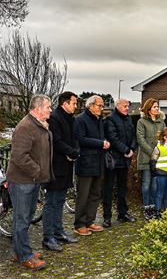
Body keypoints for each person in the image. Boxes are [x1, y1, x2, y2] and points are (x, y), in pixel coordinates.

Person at [6, 94, 53, 270]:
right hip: (22, 181)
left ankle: (18, 251)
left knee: (25, 217)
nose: (50, 110)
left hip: (32, 180)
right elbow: (19, 157)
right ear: (37, 108)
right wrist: (38, 171)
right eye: (48, 107)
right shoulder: (25, 127)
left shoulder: (38, 125)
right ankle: (25, 256)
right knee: (22, 218)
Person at [42, 91, 80, 251]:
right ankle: (48, 237)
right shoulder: (55, 118)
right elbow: (56, 141)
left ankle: (58, 232)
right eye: (74, 103)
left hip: (66, 166)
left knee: (60, 201)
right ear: (65, 103)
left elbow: (75, 138)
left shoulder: (70, 119)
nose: (76, 106)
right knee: (51, 202)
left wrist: (75, 151)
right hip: (55, 166)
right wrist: (71, 152)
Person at [74, 95, 110, 235]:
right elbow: (81, 139)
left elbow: (100, 137)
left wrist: (104, 141)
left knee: (95, 194)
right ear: (91, 106)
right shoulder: (80, 120)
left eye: (102, 106)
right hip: (85, 163)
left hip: (98, 162)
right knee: (83, 195)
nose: (102, 108)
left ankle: (90, 221)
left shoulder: (99, 120)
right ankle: (79, 224)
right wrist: (100, 143)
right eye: (99, 105)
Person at [102, 98, 137, 228]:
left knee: (123, 187)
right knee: (109, 188)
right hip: (113, 159)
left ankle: (123, 213)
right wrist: (125, 150)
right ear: (117, 106)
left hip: (125, 160)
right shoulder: (110, 119)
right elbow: (112, 138)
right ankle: (107, 217)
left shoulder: (128, 118)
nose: (127, 108)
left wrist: (132, 149)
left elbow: (133, 135)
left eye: (128, 106)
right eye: (125, 106)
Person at [136, 98, 165, 219]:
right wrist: (152, 152)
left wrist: (160, 151)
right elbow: (140, 139)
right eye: (154, 107)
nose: (157, 109)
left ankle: (153, 207)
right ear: (148, 109)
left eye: (157, 107)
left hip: (158, 159)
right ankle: (146, 208)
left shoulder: (161, 122)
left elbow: (164, 137)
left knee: (155, 185)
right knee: (146, 184)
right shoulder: (141, 122)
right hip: (146, 158)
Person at [150, 127, 167, 218]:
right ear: (165, 137)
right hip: (161, 174)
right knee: (160, 192)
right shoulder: (158, 148)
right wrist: (154, 172)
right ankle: (157, 211)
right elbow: (153, 160)